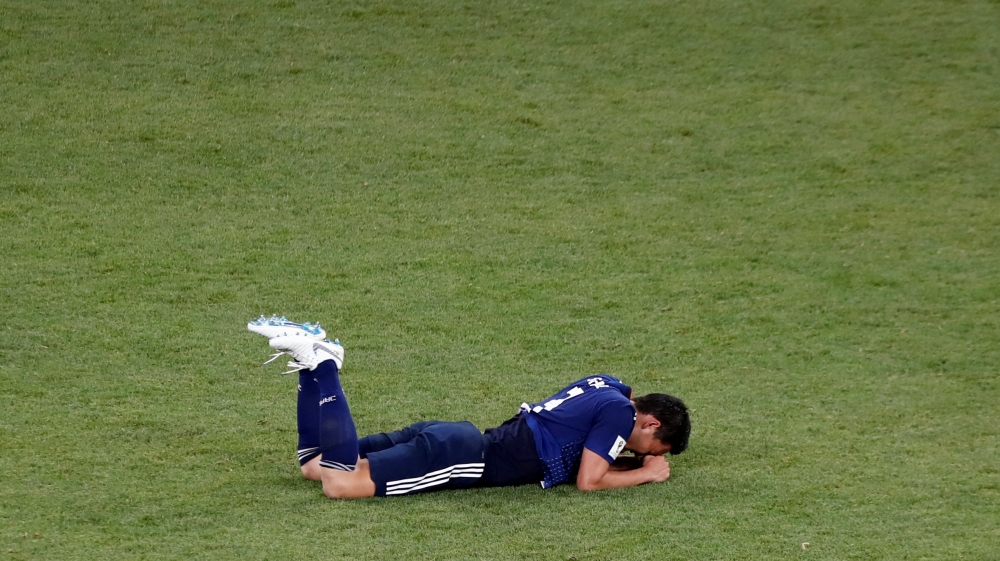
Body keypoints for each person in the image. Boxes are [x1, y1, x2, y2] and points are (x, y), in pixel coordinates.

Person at [247, 317, 691, 499]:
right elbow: (589, 481)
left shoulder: (608, 388)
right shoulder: (619, 414)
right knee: (338, 484)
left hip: (454, 436)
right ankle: (326, 364)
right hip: (460, 459)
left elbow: (593, 440)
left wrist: (630, 455)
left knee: (314, 464)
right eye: (654, 445)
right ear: (648, 421)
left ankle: (308, 362)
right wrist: (645, 473)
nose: (645, 450)